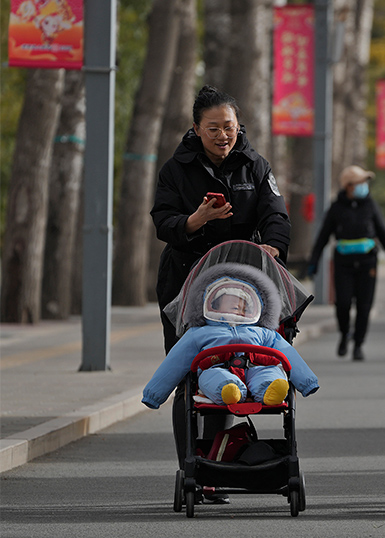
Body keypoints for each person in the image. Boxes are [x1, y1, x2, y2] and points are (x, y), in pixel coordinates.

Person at [151, 85, 292, 476]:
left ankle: (214, 465)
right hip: (185, 285)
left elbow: (276, 216)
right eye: (212, 128)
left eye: (228, 126)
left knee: (229, 369)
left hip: (241, 288)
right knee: (188, 372)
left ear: (238, 125)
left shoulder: (255, 165)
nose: (222, 135)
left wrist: (274, 250)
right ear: (196, 129)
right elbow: (163, 220)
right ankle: (191, 469)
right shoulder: (175, 169)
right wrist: (196, 221)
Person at [142, 265, 319, 411]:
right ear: (213, 304)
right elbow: (175, 361)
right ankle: (229, 389)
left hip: (257, 366)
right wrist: (154, 394)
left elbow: (288, 353)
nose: (236, 305)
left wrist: (307, 382)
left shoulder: (263, 332)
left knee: (271, 373)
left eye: (241, 304)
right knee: (213, 377)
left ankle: (270, 389)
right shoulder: (200, 332)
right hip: (217, 367)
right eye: (229, 301)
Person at [307, 165, 385, 361]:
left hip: (367, 262)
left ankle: (358, 344)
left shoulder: (370, 205)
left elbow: (383, 233)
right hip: (344, 262)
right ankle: (344, 334)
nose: (364, 186)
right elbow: (324, 235)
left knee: (364, 306)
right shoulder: (336, 207)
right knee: (342, 303)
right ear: (348, 186)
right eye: (360, 183)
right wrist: (313, 261)